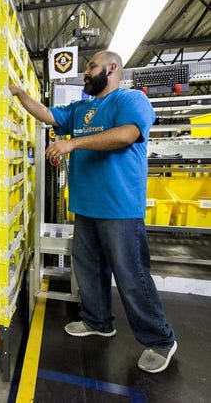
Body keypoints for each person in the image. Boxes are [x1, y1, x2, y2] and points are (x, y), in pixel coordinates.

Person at [9, 50, 176, 373]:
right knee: (88, 270)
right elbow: (46, 114)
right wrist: (18, 93)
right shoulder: (81, 108)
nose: (86, 72)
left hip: (120, 208)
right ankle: (98, 321)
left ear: (112, 68)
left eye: (91, 66)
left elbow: (127, 135)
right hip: (85, 207)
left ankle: (160, 340)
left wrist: (73, 144)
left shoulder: (130, 100)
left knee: (131, 276)